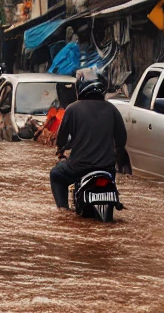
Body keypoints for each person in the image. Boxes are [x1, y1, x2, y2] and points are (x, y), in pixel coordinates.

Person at [50, 68, 127, 210]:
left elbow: (61, 137)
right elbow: (122, 140)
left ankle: (63, 211)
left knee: (55, 174)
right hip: (107, 169)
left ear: (80, 88)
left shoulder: (72, 109)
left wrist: (60, 150)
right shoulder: (112, 109)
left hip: (78, 168)